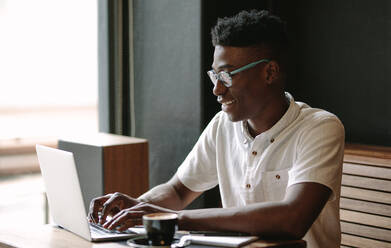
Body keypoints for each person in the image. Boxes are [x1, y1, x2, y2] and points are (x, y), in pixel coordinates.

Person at [88, 10, 344, 248]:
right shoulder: (223, 125)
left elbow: (292, 219)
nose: (217, 89)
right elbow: (178, 190)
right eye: (215, 76)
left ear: (270, 72)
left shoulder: (319, 128)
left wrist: (175, 219)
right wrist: (137, 207)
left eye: (227, 76)